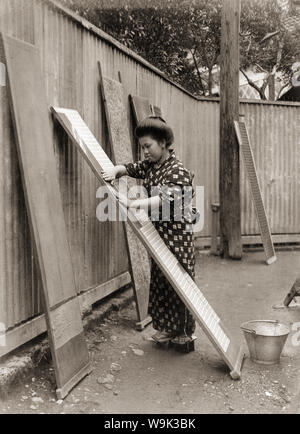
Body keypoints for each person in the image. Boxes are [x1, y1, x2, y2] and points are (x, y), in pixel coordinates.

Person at [101, 116, 196, 345]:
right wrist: (117, 170)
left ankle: (184, 333)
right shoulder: (152, 165)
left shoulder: (177, 170)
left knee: (179, 285)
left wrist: (136, 204)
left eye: (148, 146)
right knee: (161, 283)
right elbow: (133, 168)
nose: (145, 152)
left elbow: (166, 198)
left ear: (163, 143)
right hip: (159, 234)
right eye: (142, 147)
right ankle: (165, 328)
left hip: (178, 237)